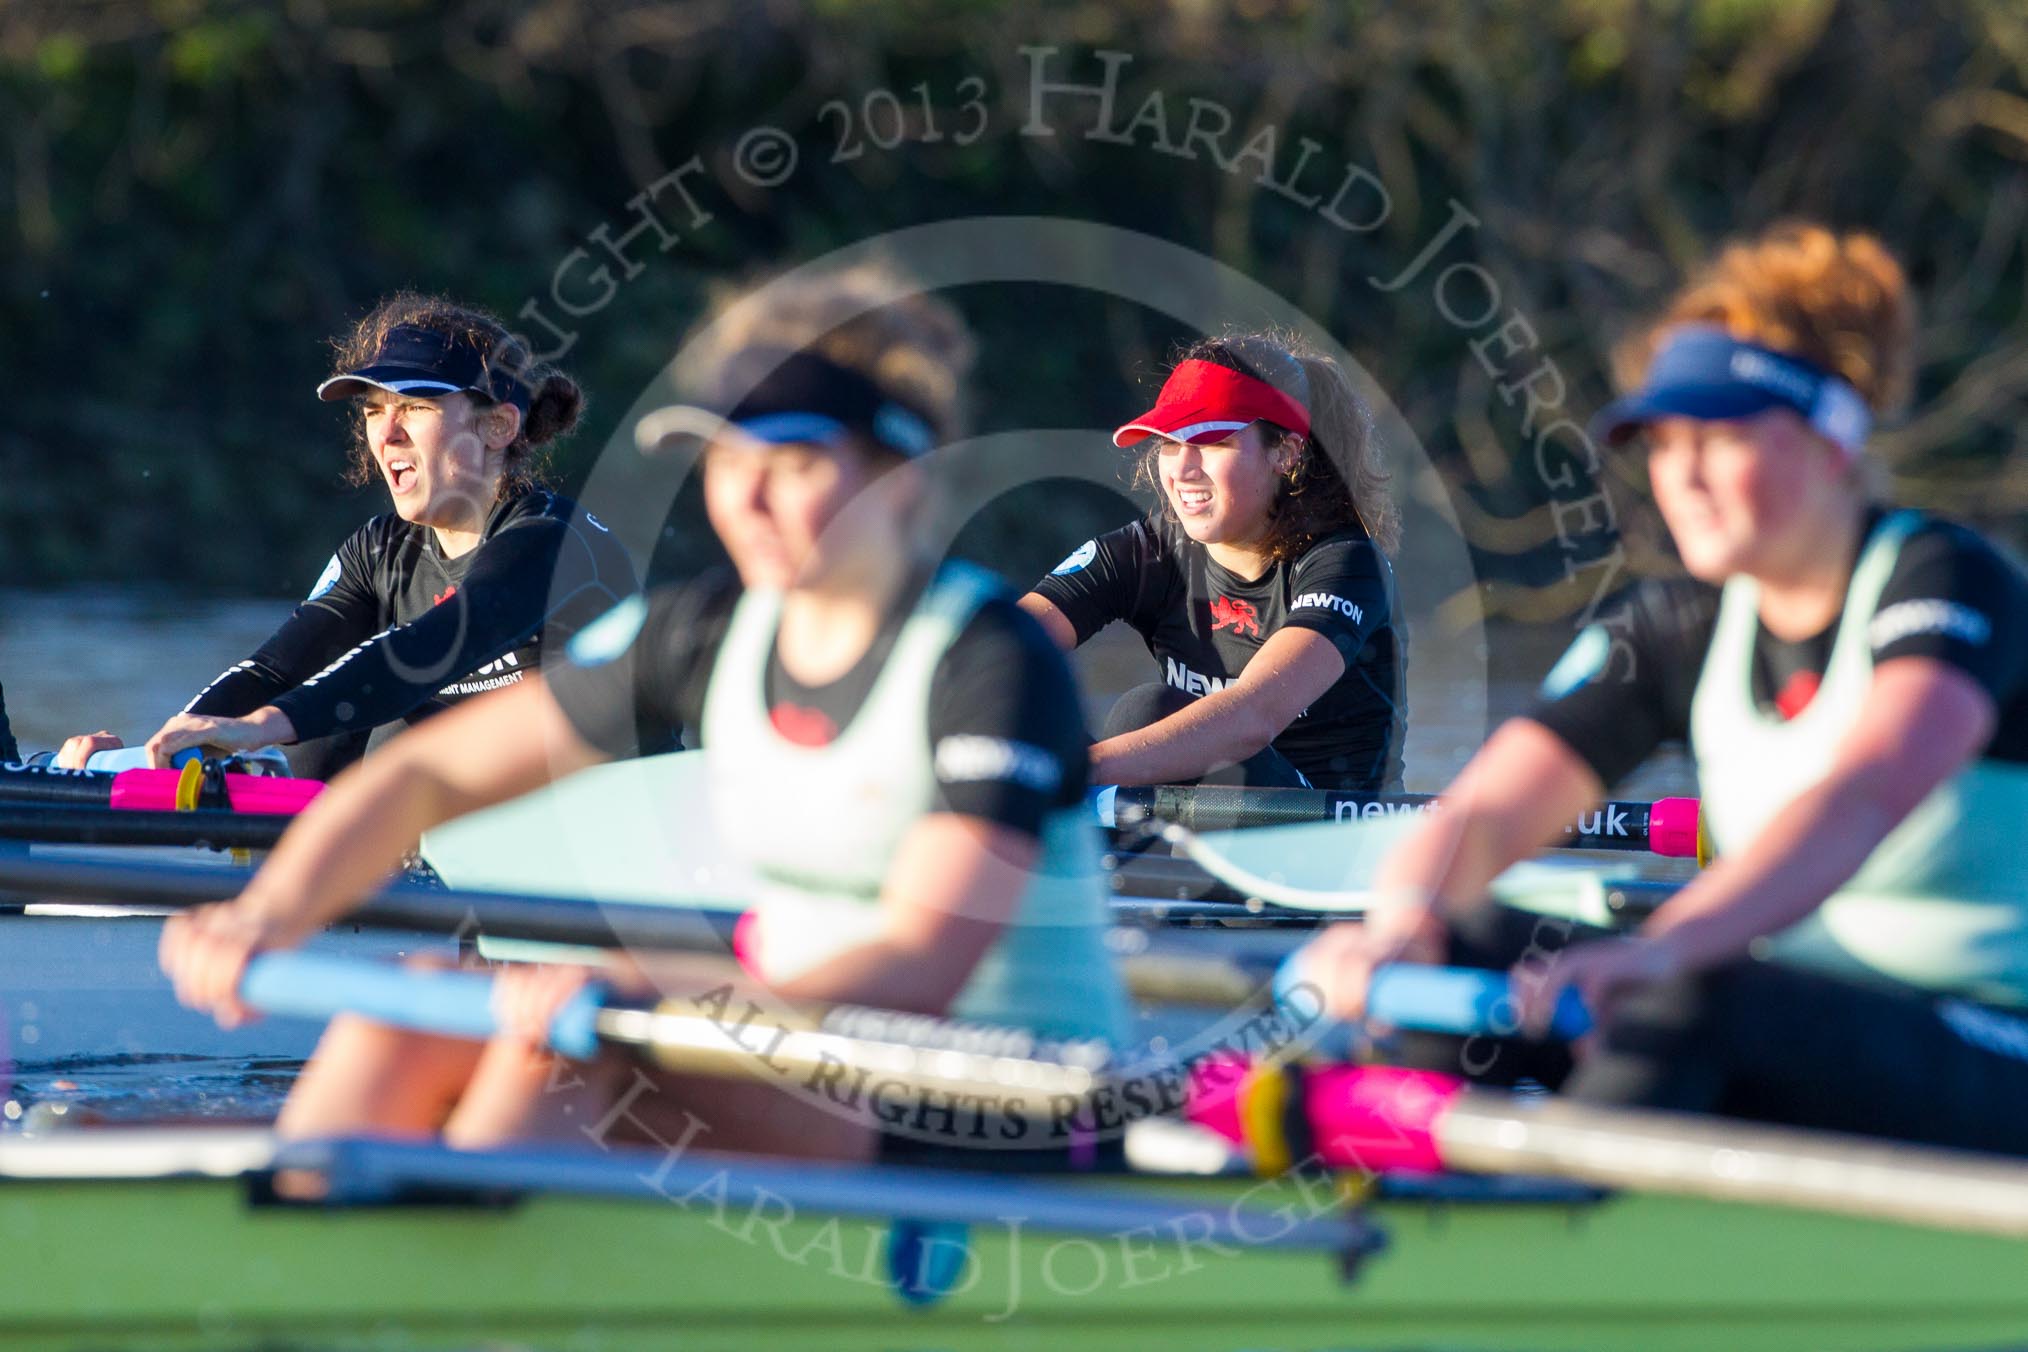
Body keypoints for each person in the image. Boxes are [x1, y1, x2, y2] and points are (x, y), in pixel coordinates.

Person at [157, 266, 1129, 1163]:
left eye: (790, 461)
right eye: (721, 456)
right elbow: (431, 774)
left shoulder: (991, 658)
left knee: (574, 1045)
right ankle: (308, 1246)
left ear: (899, 476)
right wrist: (268, 912)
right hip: (785, 1057)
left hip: (1005, 1107)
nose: (742, 496)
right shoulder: (701, 632)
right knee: (412, 1003)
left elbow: (921, 962)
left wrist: (644, 993)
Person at [1299, 222, 2028, 1154]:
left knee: (1688, 995)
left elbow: (1865, 790)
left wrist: (1664, 946)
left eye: (1719, 437)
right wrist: (1398, 927)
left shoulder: (1951, 580)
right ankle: (1405, 1189)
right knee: (1470, 937)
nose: (1679, 474)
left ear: (1829, 444)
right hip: (1797, 1029)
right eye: (1663, 439)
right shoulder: (1678, 623)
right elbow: (1480, 817)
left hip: (1991, 1037)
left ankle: (1568, 1234)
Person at [56, 294, 646, 778]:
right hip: (470, 847)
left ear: (498, 424)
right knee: (312, 736)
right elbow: (273, 671)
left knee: (339, 712)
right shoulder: (378, 551)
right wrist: (158, 756)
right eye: (371, 410)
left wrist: (257, 729)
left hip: (610, 845)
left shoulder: (556, 541)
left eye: (413, 406)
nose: (384, 433)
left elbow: (427, 648)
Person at [1020, 333, 1405, 792]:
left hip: (1333, 838)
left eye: (1211, 440)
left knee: (1147, 712)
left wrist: (1080, 771)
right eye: (1168, 442)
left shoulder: (1347, 565)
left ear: (1285, 452)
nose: (1182, 469)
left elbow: (1251, 719)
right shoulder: (1149, 553)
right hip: (1204, 825)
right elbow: (998, 645)